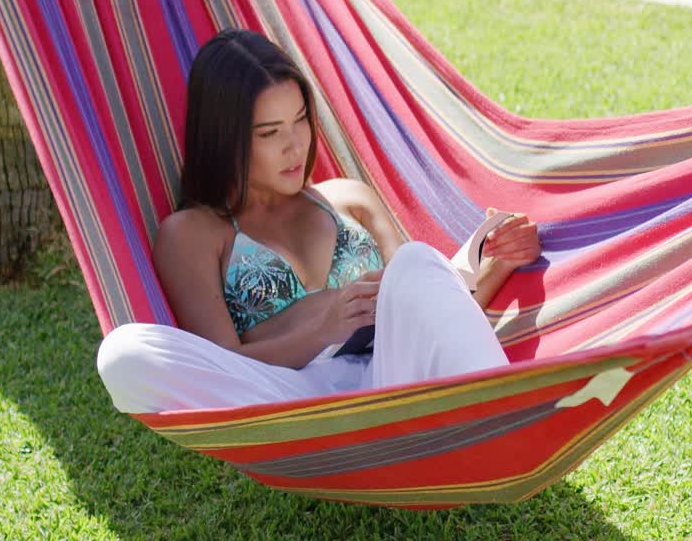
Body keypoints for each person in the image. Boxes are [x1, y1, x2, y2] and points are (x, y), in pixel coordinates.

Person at [97, 29, 541, 413]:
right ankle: (490, 415)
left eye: (301, 120)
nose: (294, 145)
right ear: (224, 140)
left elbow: (427, 310)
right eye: (270, 133)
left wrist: (498, 260)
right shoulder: (193, 232)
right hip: (284, 399)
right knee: (122, 353)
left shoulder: (349, 197)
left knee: (418, 264)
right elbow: (224, 361)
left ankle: (498, 417)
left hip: (391, 379)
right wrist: (324, 330)